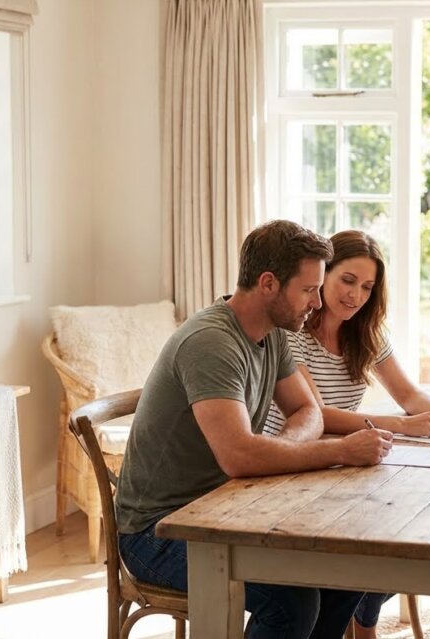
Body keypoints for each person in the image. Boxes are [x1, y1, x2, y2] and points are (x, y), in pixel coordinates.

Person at [115, 219, 393, 639]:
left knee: (344, 571)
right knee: (292, 602)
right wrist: (340, 451)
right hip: (158, 530)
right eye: (308, 289)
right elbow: (241, 456)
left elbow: (307, 410)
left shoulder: (273, 332)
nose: (317, 302)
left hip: (227, 508)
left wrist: (281, 449)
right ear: (268, 284)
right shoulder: (212, 343)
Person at [262, 229, 430, 639]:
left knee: (412, 527)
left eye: (367, 287)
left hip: (345, 461)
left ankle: (363, 620)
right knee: (377, 540)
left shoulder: (367, 331)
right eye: (347, 280)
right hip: (293, 466)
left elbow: (408, 393)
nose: (355, 295)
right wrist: (401, 425)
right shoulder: (292, 332)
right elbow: (317, 414)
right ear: (323, 273)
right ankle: (362, 625)